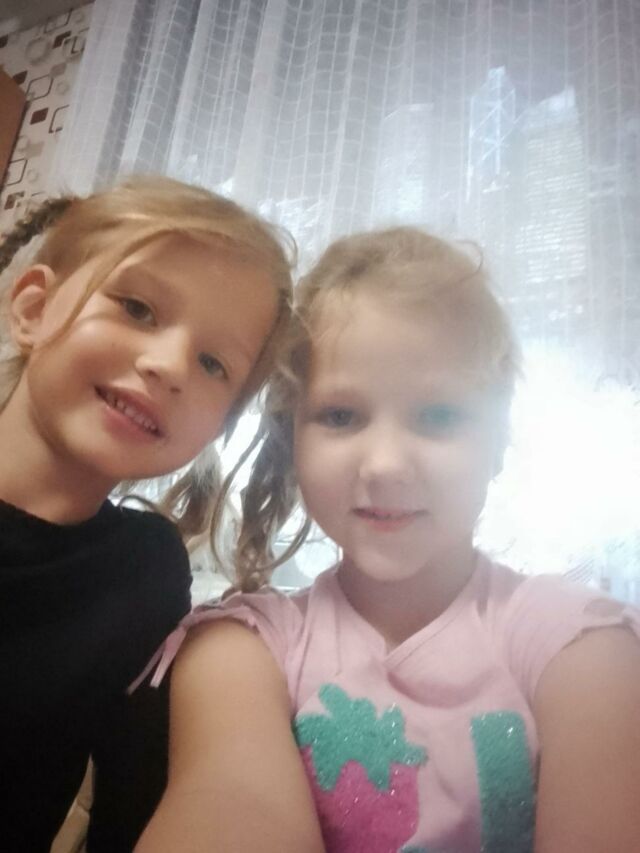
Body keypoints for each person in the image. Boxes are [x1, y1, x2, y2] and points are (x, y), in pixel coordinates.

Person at [137, 227, 640, 853]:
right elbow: (230, 804)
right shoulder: (240, 651)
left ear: (498, 444)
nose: (386, 466)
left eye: (439, 416)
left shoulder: (584, 648)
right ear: (294, 441)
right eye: (341, 415)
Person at [0, 175, 294, 853]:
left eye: (214, 363)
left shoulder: (145, 571)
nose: (170, 366)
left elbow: (132, 802)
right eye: (136, 308)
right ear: (34, 307)